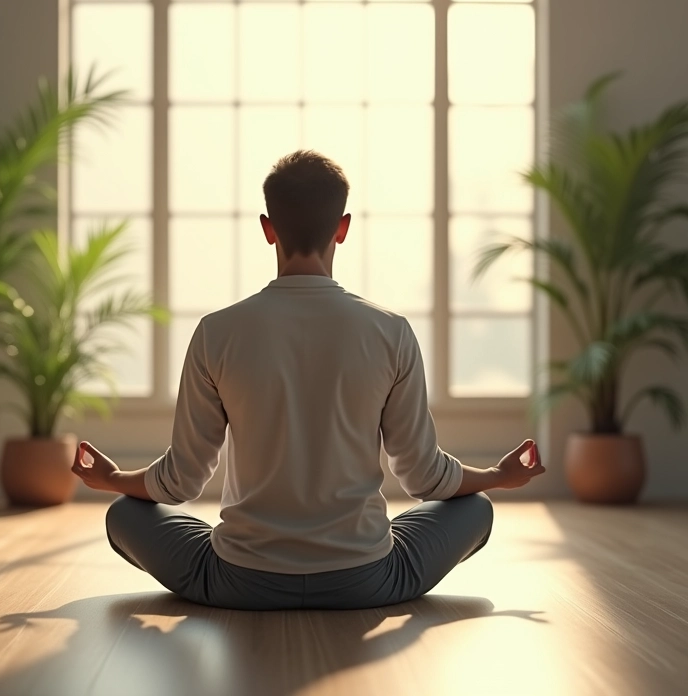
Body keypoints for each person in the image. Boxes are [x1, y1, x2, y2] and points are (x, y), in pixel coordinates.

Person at [72, 150, 545, 611]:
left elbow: (180, 482)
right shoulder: (391, 332)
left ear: (267, 228)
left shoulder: (217, 332)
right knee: (476, 508)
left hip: (239, 581)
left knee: (122, 515)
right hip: (368, 580)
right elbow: (424, 477)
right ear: (342, 229)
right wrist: (499, 477)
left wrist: (112, 479)